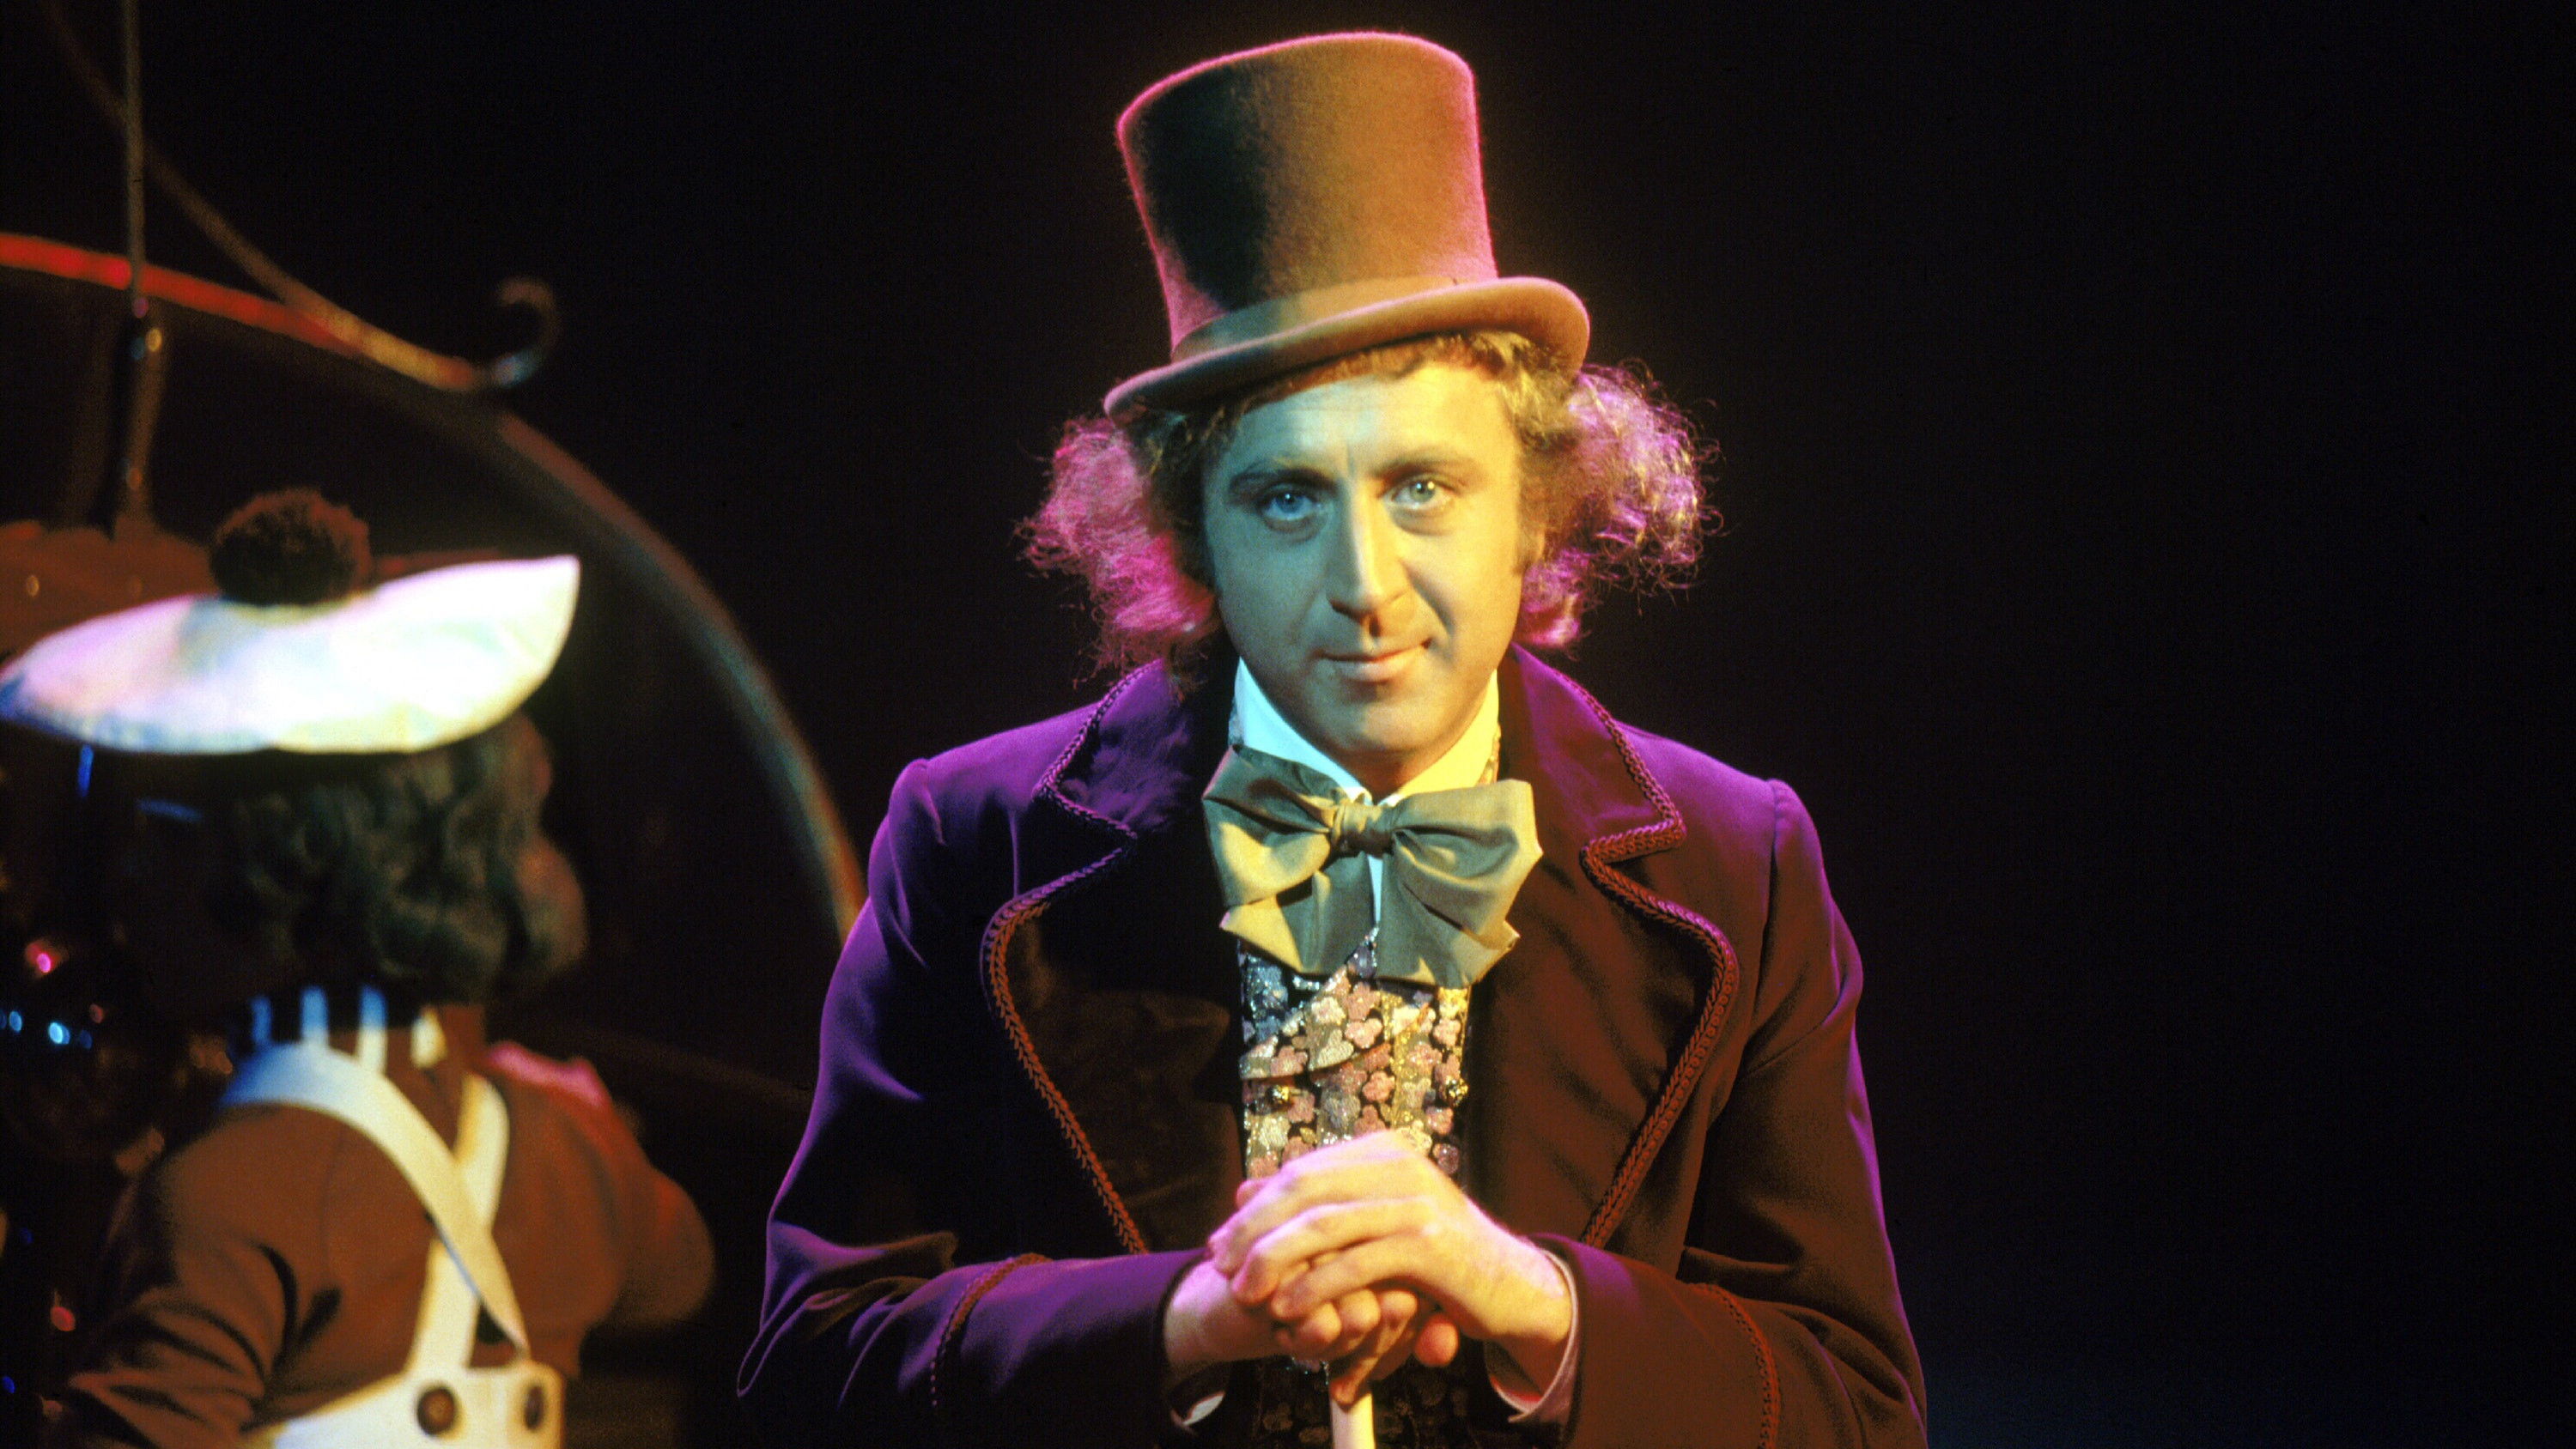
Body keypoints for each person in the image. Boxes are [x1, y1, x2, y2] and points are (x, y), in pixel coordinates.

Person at [742, 33, 1924, 1448]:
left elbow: (1859, 1409)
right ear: (1194, 536)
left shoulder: (1739, 861)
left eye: (1423, 486)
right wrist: (1181, 1322)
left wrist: (1543, 1305)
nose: (1364, 582)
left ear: (1535, 509)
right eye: (1288, 499)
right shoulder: (973, 840)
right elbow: (814, 1367)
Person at [2, 491, 715, 1447]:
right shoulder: (566, 1153)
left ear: (298, 865)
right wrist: (582, 1133)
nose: (125, 868)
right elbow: (684, 1274)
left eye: (165, 828)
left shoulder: (229, 1198)